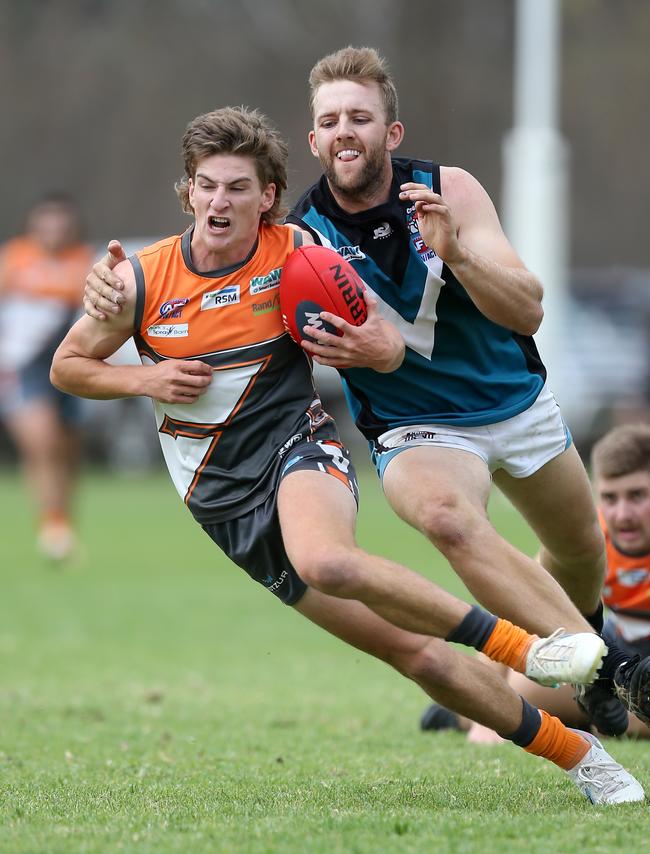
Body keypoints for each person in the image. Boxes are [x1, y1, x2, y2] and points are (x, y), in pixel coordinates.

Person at [50, 106, 644, 804]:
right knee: (414, 652)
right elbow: (68, 365)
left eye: (239, 187)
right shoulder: (139, 282)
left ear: (267, 197)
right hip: (221, 501)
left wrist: (380, 341)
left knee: (326, 558)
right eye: (207, 185)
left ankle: (527, 648)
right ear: (186, 192)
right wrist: (145, 377)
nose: (220, 201)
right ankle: (581, 756)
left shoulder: (298, 251)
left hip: (299, 449)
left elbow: (384, 343)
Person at [423, 424, 650, 741]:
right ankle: (465, 715)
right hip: (615, 656)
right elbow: (522, 601)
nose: (622, 514)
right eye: (610, 498)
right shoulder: (587, 541)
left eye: (637, 496)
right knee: (515, 691)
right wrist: (486, 715)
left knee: (634, 715)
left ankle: (596, 720)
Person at [0, 193, 93, 560]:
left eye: (61, 223)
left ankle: (62, 523)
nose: (53, 230)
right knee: (42, 440)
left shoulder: (83, 262)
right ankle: (52, 525)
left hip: (69, 364)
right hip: (23, 366)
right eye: (46, 222)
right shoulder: (15, 259)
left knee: (68, 450)